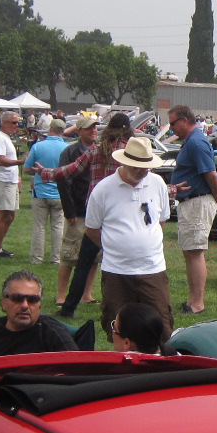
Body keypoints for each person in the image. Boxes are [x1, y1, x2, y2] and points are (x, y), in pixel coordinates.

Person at [84, 134, 173, 343]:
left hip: (153, 269)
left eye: (146, 167)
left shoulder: (157, 183)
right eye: (137, 167)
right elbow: (91, 229)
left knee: (161, 325)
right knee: (118, 326)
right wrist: (116, 248)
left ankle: (163, 369)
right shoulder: (103, 189)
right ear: (124, 162)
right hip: (117, 271)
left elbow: (161, 221)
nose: (142, 172)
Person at [48, 113, 129, 318]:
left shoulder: (96, 149)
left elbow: (70, 170)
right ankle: (116, 308)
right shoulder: (128, 152)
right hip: (119, 214)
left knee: (83, 263)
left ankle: (68, 307)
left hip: (95, 213)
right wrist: (171, 189)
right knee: (117, 263)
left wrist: (44, 173)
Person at [167, 105, 217, 315]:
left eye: (173, 123)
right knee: (189, 251)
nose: (172, 128)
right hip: (191, 202)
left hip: (198, 202)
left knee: (195, 252)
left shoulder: (197, 142)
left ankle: (198, 303)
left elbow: (211, 174)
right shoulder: (191, 141)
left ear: (184, 120)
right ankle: (192, 300)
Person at [0, 271, 80, 360]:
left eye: (33, 299)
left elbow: (76, 375)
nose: (25, 305)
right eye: (17, 299)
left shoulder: (54, 334)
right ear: (3, 303)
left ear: (40, 304)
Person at [54, 115, 99, 310]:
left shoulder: (99, 151)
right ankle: (61, 295)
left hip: (94, 212)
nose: (94, 131)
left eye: (95, 128)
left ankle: (86, 294)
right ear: (79, 131)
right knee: (69, 255)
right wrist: (69, 211)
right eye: (89, 128)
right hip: (77, 210)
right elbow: (63, 182)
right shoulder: (70, 152)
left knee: (94, 256)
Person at [24, 118, 68, 265]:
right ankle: (56, 258)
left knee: (39, 227)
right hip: (60, 193)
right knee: (58, 227)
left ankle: (37, 258)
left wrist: (36, 173)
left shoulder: (38, 146)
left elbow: (26, 168)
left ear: (50, 128)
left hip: (40, 192)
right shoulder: (67, 148)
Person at [0, 111, 23, 257]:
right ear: (5, 122)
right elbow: (0, 160)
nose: (17, 125)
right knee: (3, 214)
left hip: (11, 180)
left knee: (10, 215)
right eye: (14, 122)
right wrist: (20, 162)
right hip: (3, 180)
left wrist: (18, 177)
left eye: (17, 122)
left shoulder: (6, 138)